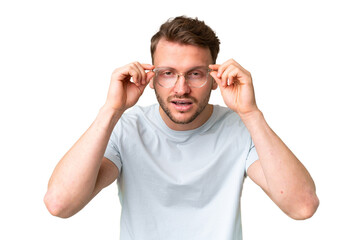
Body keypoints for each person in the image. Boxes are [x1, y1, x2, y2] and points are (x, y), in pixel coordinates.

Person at [44, 16, 319, 239]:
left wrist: (251, 113)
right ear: (151, 78)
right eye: (168, 73)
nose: (181, 88)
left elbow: (302, 206)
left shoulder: (241, 128)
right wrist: (111, 110)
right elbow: (59, 204)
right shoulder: (126, 127)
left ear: (215, 79)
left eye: (195, 74)